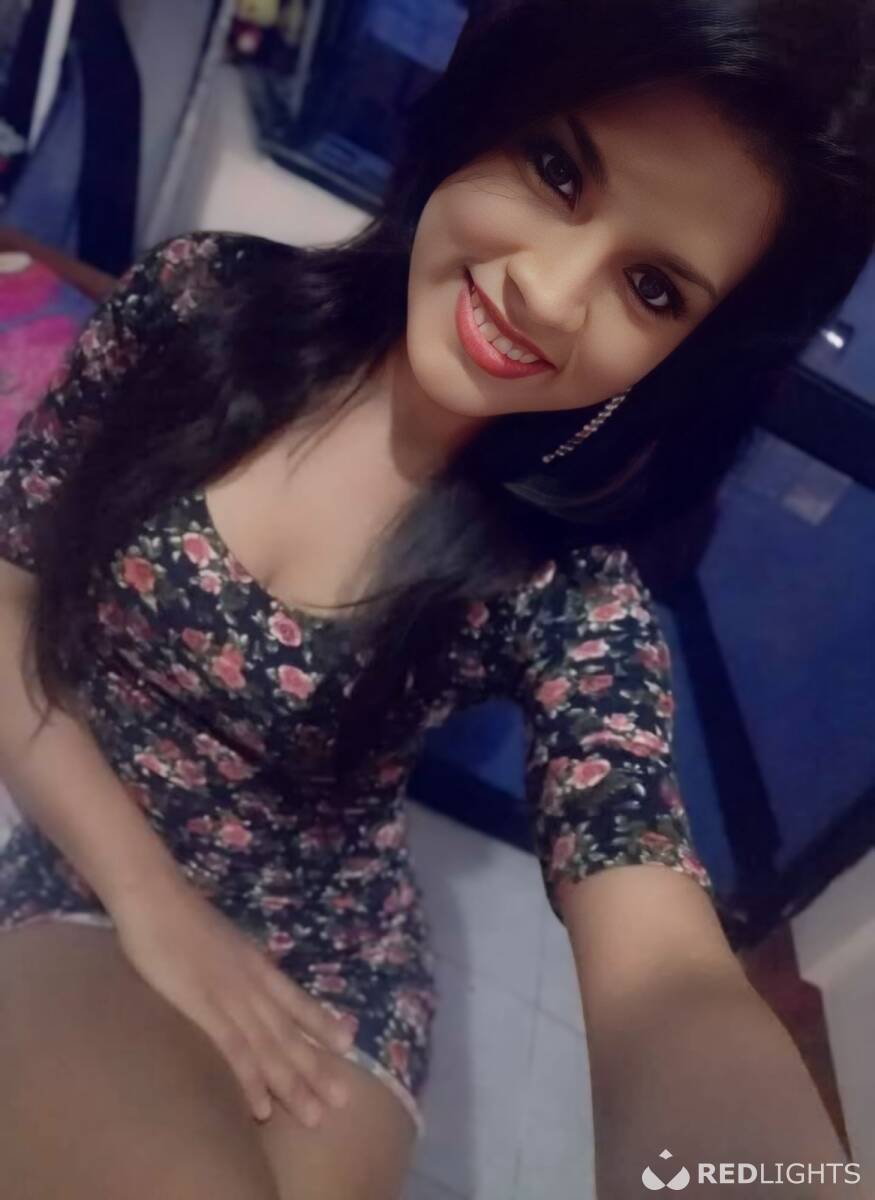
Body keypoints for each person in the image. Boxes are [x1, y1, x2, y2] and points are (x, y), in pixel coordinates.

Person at [0, 1, 872, 1196]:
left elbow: (661, 963)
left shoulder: (560, 586)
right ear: (486, 109)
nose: (547, 295)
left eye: (651, 287)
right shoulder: (195, 307)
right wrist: (154, 903)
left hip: (339, 972)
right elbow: (6, 593)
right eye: (556, 168)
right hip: (92, 869)